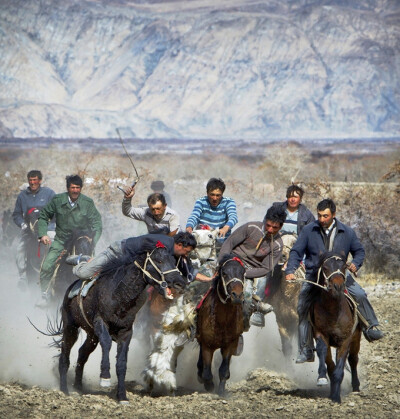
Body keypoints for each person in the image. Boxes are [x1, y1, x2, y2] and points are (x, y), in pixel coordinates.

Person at [285, 198, 384, 364]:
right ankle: (306, 349)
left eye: (325, 216)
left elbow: (359, 251)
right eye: (319, 216)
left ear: (333, 215)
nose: (322, 219)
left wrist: (355, 264)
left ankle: (371, 326)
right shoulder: (309, 230)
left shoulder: (347, 232)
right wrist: (290, 270)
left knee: (359, 294)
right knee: (302, 306)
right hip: (314, 277)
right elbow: (296, 252)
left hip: (340, 275)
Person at [218, 205, 287, 327]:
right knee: (203, 282)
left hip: (248, 270)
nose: (270, 230)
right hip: (231, 261)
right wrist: (222, 263)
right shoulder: (251, 227)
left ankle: (242, 325)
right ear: (265, 220)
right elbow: (229, 243)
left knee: (247, 296)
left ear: (281, 226)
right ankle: (191, 322)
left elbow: (266, 268)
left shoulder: (277, 245)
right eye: (268, 225)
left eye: (275, 227)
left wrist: (244, 273)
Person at [37, 175, 102, 302]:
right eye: (73, 187)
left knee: (94, 269)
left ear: (81, 188)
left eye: (78, 187)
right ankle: (44, 295)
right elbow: (43, 216)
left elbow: (98, 224)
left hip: (82, 241)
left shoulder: (87, 203)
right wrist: (43, 234)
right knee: (47, 266)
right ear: (68, 188)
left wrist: (92, 242)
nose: (75, 190)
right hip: (61, 241)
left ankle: (95, 297)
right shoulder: (57, 200)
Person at [67, 232, 212, 284]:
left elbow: (189, 271)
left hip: (127, 263)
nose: (185, 255)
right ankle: (84, 260)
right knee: (83, 274)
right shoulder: (164, 247)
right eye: (186, 251)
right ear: (179, 245)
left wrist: (210, 279)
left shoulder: (173, 253)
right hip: (118, 252)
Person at [12, 170, 55, 290]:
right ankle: (22, 277)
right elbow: (16, 214)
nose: (32, 183)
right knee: (18, 247)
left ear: (40, 180)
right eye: (30, 180)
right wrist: (22, 224)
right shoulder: (22, 196)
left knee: (57, 245)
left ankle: (57, 272)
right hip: (28, 230)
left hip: (48, 229)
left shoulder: (49, 193)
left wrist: (51, 225)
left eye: (35, 180)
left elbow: (56, 211)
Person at [186, 178, 238, 245]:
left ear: (222, 194)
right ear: (207, 193)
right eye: (212, 195)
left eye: (218, 195)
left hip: (222, 242)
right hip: (203, 241)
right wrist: (189, 227)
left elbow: (233, 217)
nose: (215, 198)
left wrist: (226, 228)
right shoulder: (201, 202)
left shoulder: (229, 202)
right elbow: (194, 216)